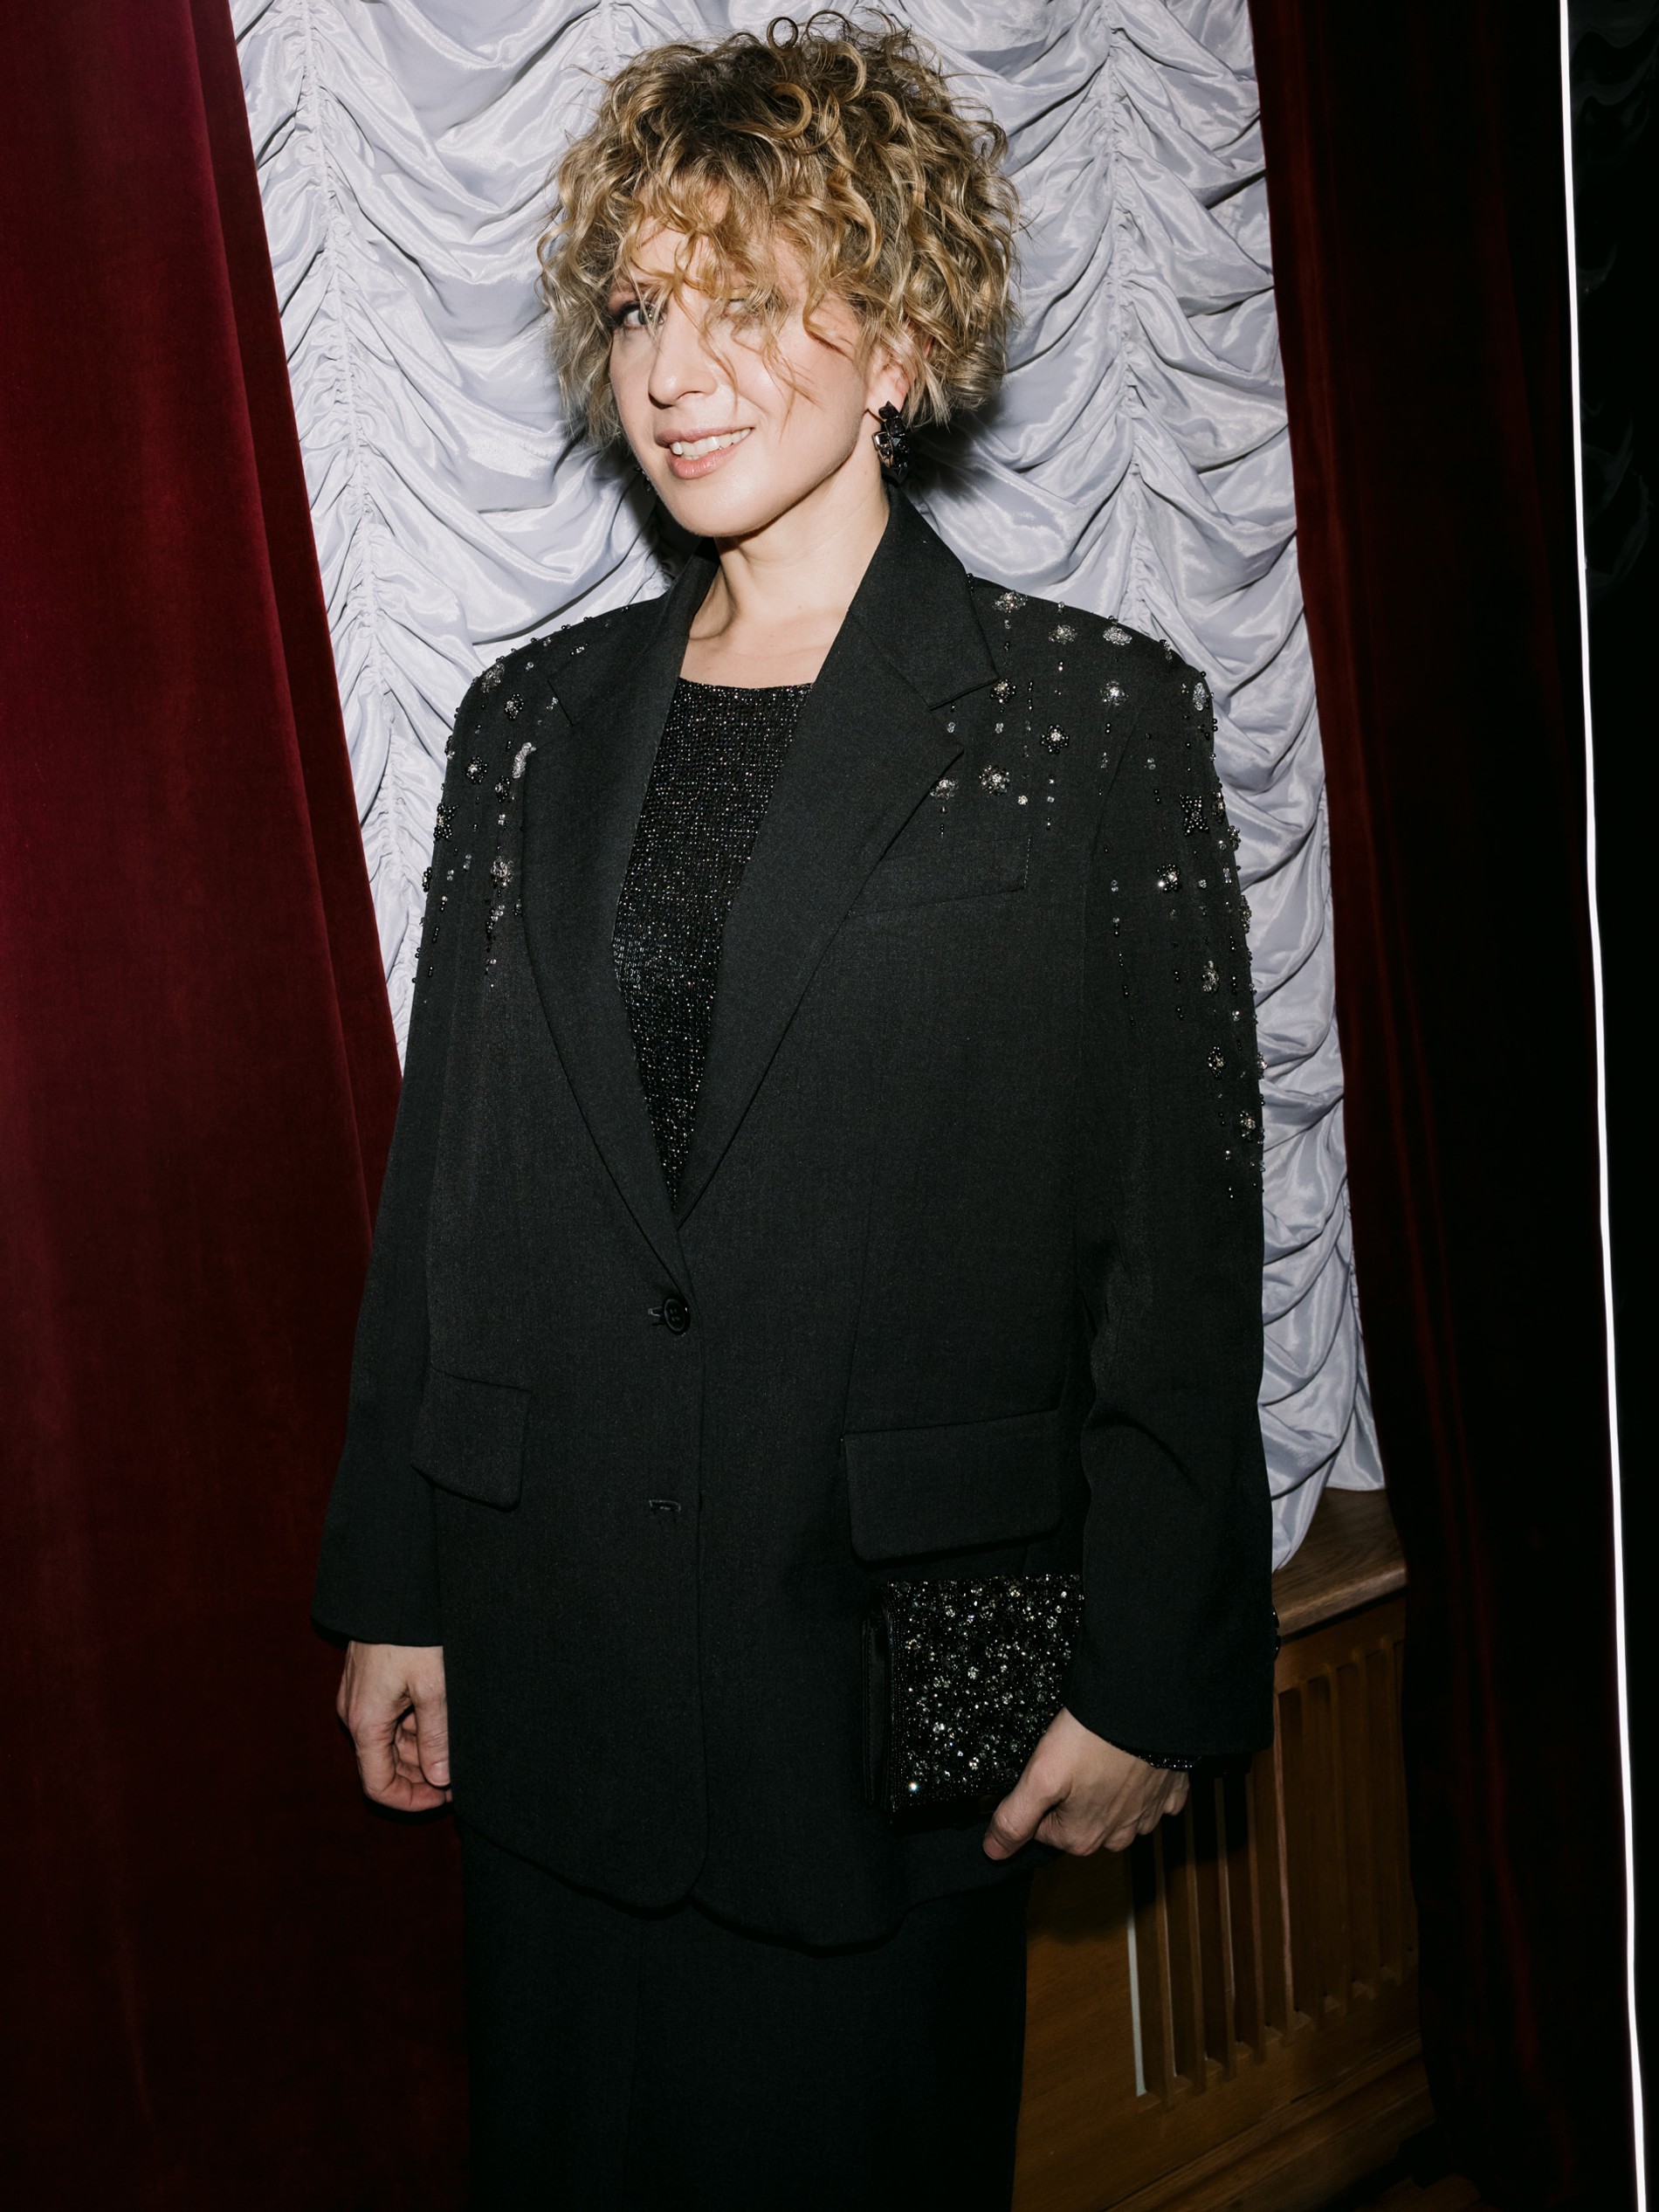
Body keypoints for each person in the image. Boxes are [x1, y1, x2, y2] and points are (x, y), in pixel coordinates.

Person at [315, 13, 1275, 2207]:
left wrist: (1152, 1676)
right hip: (555, 1653)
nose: (674, 368)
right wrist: (398, 1583)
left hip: (883, 1679)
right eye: (640, 305)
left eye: (746, 298)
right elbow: (452, 1184)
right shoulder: (527, 724)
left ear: (903, 334)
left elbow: (1175, 1243)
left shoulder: (1085, 722)